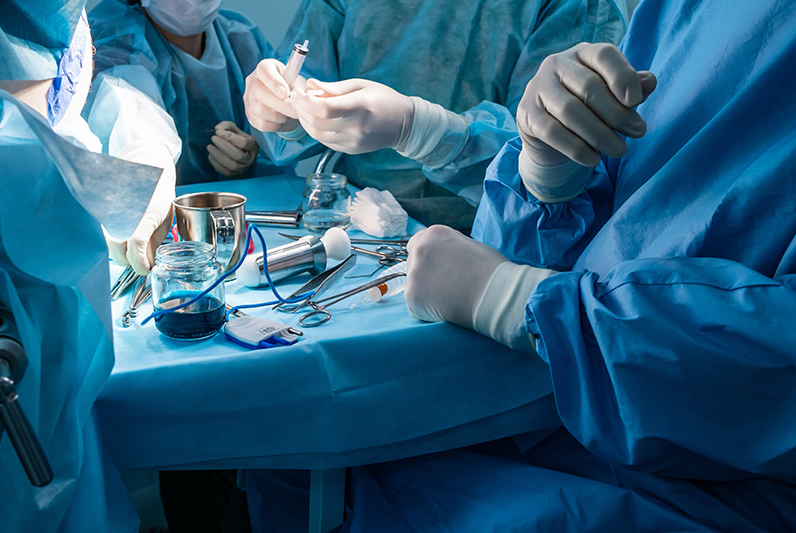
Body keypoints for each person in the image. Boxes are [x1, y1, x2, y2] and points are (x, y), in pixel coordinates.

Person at [328, 0, 796, 530]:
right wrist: (545, 180)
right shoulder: (682, 11)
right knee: (310, 468)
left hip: (710, 481)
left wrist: (517, 298)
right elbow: (620, 212)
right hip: (562, 413)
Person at [0, 2, 169, 530]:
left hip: (47, 298)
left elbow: (106, 64)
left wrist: (142, 135)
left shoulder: (61, 12)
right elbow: (20, 133)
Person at [245, 0, 629, 233]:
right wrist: (288, 114)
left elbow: (559, 169)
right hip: (355, 223)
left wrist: (422, 131)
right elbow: (305, 75)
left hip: (483, 241)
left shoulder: (577, 7)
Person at [87, 0, 288, 185]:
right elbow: (130, 163)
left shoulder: (241, 39)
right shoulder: (116, 48)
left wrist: (252, 157)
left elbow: (279, 144)